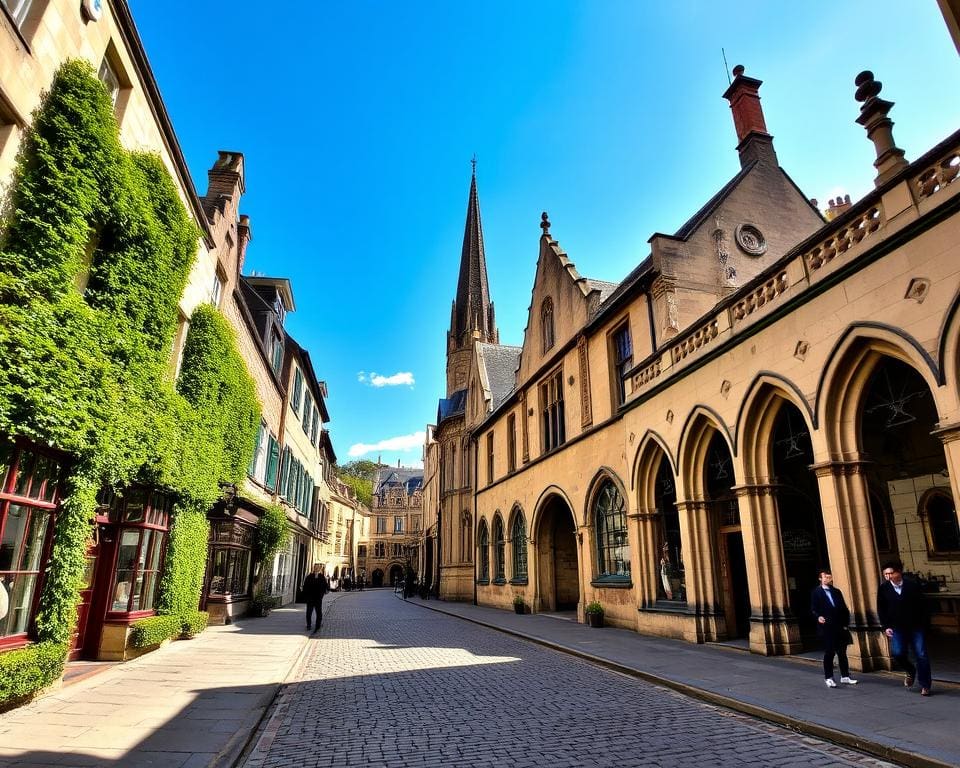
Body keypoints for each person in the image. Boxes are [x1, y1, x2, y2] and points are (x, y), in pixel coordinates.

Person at [877, 560, 932, 696]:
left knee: (921, 654)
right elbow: (881, 608)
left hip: (916, 626)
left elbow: (923, 606)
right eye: (885, 574)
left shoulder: (912, 586)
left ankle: (925, 684)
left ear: (899, 573)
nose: (888, 576)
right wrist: (886, 626)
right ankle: (910, 670)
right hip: (897, 627)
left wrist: (925, 625)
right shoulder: (884, 588)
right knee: (898, 653)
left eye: (891, 573)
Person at [810, 568, 857, 688]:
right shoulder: (816, 592)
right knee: (829, 652)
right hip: (827, 626)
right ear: (820, 579)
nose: (828, 579)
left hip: (840, 626)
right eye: (825, 577)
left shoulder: (836, 591)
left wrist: (846, 624)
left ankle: (845, 676)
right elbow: (814, 609)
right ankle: (829, 677)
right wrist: (818, 617)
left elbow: (844, 608)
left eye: (829, 577)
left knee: (842, 652)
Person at [302, 564, 328, 632]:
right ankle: (309, 625)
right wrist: (306, 595)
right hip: (310, 598)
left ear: (319, 569)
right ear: (313, 568)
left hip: (318, 598)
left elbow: (325, 586)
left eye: (317, 568)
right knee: (309, 612)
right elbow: (305, 586)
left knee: (319, 613)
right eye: (315, 568)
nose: (316, 569)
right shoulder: (309, 577)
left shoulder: (322, 577)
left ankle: (318, 625)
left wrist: (323, 593)